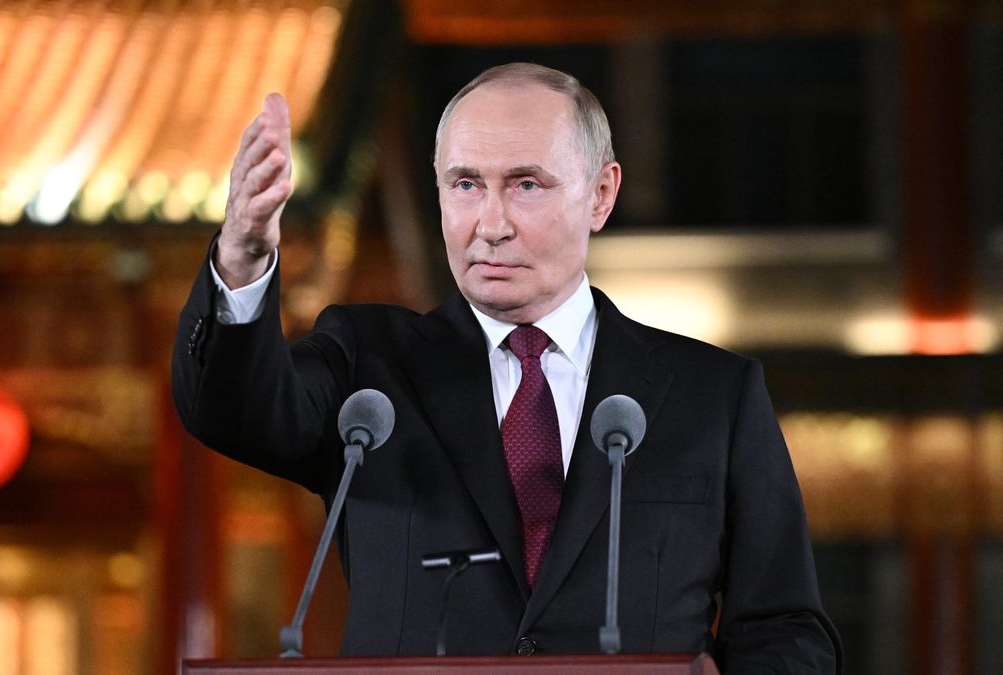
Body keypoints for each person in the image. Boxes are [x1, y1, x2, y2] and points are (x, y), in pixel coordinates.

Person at [172, 63, 841, 672]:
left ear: (601, 195)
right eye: (465, 184)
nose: (489, 223)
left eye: (525, 185)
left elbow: (787, 631)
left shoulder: (712, 397)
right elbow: (238, 411)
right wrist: (242, 257)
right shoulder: (367, 366)